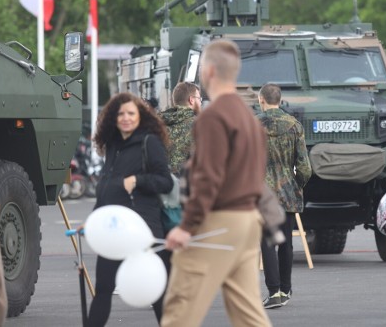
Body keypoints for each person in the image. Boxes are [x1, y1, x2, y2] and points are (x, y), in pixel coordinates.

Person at [161, 39, 271, 327]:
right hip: (249, 221)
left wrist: (187, 227)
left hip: (219, 221)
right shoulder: (250, 120)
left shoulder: (212, 119)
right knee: (249, 314)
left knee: (179, 310)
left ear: (208, 72)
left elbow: (208, 177)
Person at [88, 92, 173, 327]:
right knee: (103, 288)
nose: (125, 118)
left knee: (158, 293)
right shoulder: (113, 145)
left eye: (131, 113)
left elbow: (165, 182)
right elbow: (107, 188)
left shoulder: (149, 142)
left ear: (140, 116)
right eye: (121, 113)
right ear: (113, 118)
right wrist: (94, 219)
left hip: (144, 228)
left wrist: (137, 180)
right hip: (114, 228)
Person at [257, 83, 312, 309]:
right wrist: (296, 185)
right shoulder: (294, 126)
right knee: (286, 243)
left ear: (261, 100)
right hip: (288, 192)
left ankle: (274, 291)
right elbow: (305, 168)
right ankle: (286, 288)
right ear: (279, 100)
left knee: (267, 243)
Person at [160, 82, 203, 175]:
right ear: (191, 100)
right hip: (187, 185)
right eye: (199, 99)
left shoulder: (159, 124)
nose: (200, 103)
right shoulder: (199, 126)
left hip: (164, 184)